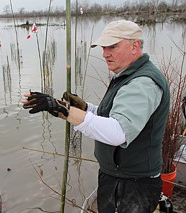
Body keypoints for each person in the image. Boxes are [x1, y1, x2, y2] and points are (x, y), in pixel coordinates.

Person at [22, 20, 170, 213]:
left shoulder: (142, 83)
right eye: (103, 47)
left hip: (134, 184)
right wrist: (84, 109)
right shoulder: (128, 75)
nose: (105, 53)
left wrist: (67, 112)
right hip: (115, 177)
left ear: (135, 46)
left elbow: (119, 132)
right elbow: (112, 117)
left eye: (113, 46)